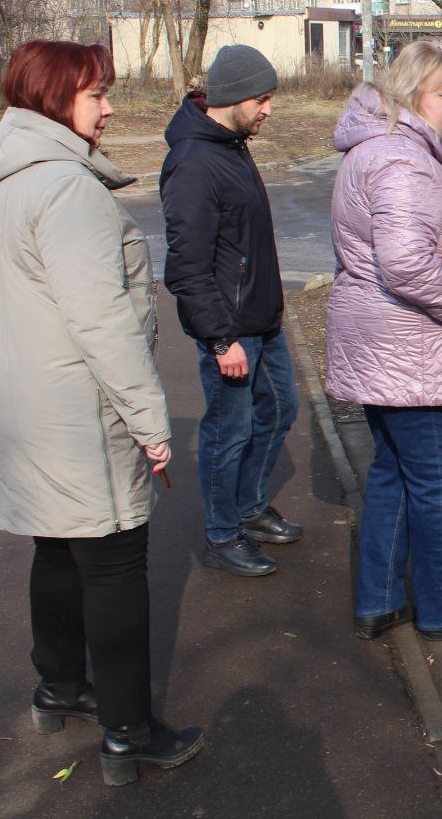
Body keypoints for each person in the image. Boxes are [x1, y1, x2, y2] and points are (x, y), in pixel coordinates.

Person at [0, 40, 203, 787]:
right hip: (75, 411)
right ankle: (129, 731)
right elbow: (104, 323)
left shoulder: (4, 178)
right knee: (113, 563)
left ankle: (61, 686)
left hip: (21, 404)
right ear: (52, 97)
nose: (109, 109)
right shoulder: (65, 189)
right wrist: (151, 422)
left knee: (56, 547)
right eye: (97, 94)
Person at [327, 40, 442, 641]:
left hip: (394, 348)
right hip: (416, 351)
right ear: (409, 95)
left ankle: (379, 600)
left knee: (394, 474)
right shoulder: (402, 159)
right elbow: (406, 264)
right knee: (434, 483)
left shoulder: (383, 149)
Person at [160, 45, 302, 578]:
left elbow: (244, 243)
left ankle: (248, 506)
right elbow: (187, 267)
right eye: (261, 99)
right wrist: (220, 339)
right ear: (233, 97)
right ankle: (223, 534)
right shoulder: (194, 162)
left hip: (262, 322)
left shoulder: (231, 145)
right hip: (230, 331)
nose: (269, 109)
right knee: (228, 432)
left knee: (281, 410)